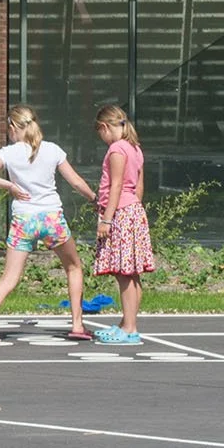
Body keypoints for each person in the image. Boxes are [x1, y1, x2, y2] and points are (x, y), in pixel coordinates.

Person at [0, 104, 100, 345]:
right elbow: (75, 181)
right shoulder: (52, 150)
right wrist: (94, 199)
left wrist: (10, 186)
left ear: (12, 127)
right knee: (73, 267)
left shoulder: (8, 153)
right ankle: (77, 324)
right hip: (51, 218)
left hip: (24, 219)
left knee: (9, 278)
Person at [90, 103, 154, 345]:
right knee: (132, 274)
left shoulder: (117, 149)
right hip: (134, 211)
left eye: (100, 132)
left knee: (124, 274)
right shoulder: (135, 148)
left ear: (105, 127)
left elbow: (116, 186)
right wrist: (134, 209)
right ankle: (127, 324)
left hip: (121, 212)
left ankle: (129, 328)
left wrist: (107, 218)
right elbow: (139, 187)